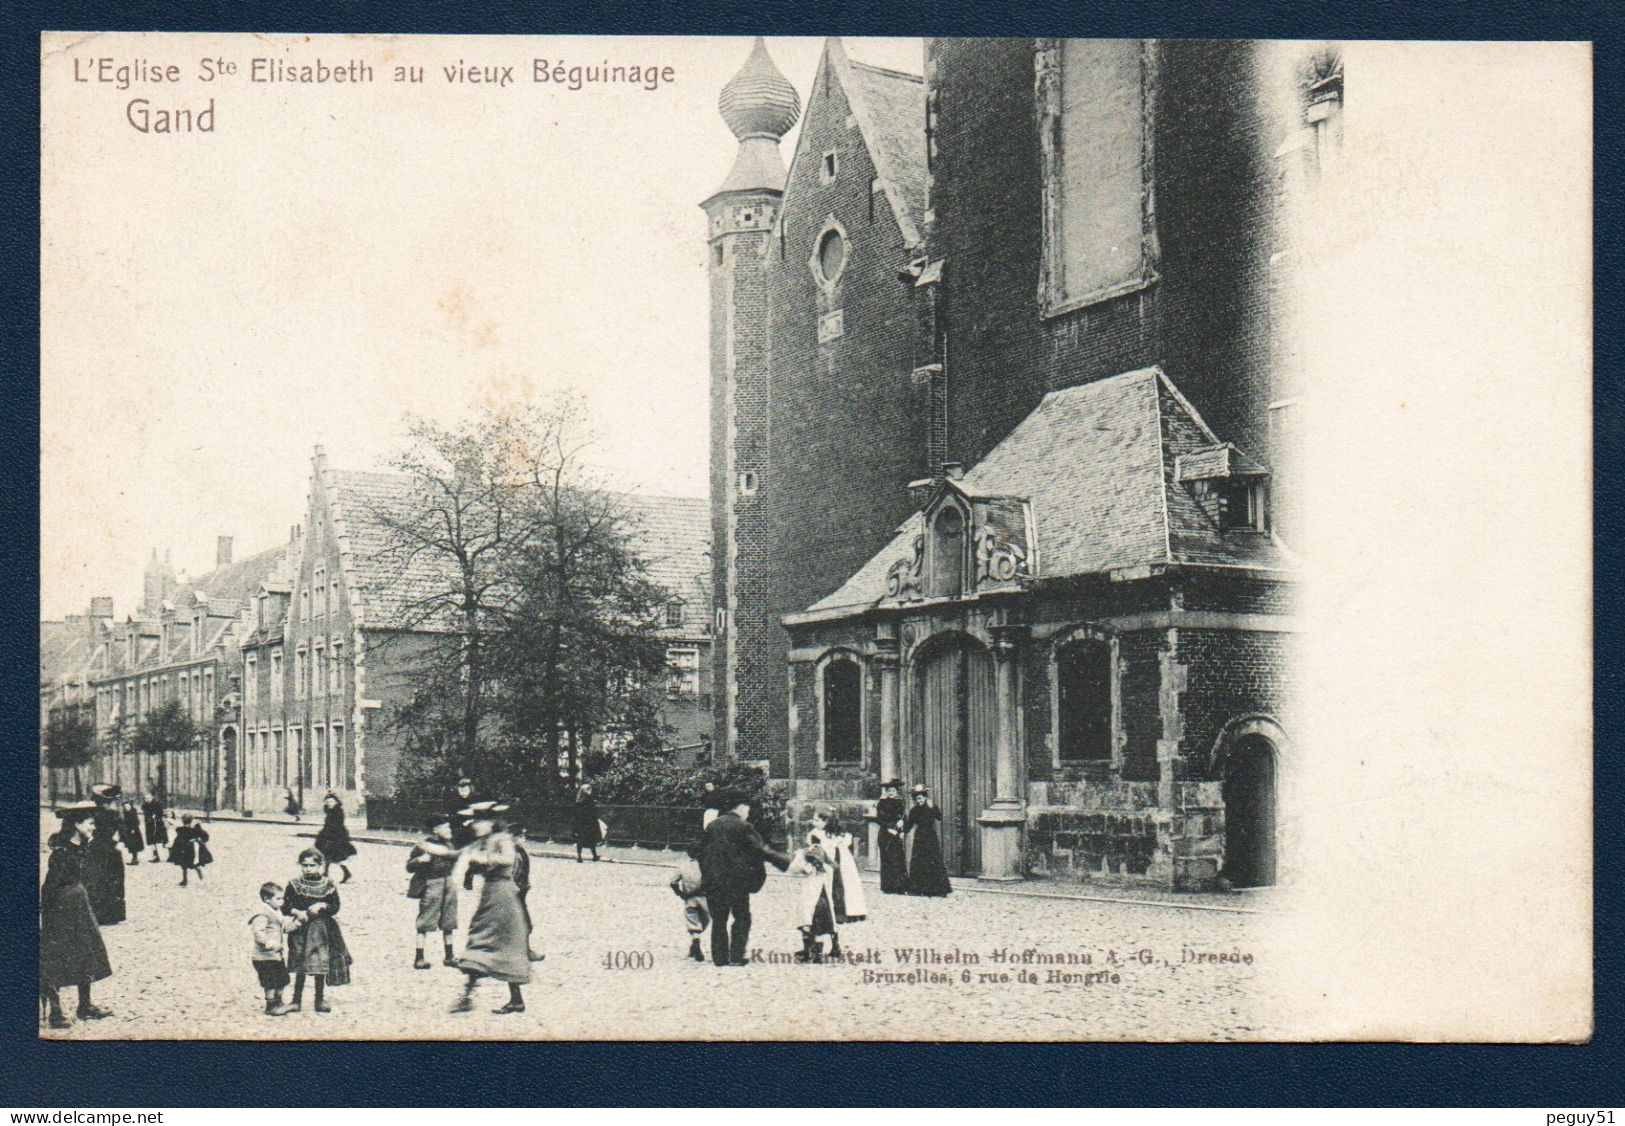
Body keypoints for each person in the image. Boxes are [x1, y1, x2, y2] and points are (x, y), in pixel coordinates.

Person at [39, 802, 113, 1029]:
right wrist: (49, 916)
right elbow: (49, 887)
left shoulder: (78, 847)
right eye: (90, 824)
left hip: (78, 907)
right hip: (63, 911)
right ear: (77, 825)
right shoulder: (62, 853)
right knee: (55, 957)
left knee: (87, 952)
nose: (93, 828)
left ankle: (85, 1005)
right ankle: (56, 1012)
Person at [453, 802, 531, 1014]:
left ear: (490, 822)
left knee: (497, 942)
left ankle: (511, 999)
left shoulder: (502, 839)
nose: (476, 825)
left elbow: (507, 859)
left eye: (479, 821)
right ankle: (469, 997)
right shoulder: (484, 841)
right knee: (481, 940)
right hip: (491, 895)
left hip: (502, 896)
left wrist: (482, 859)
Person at [698, 792, 791, 967]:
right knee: (741, 917)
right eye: (747, 808)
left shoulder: (712, 826)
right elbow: (761, 850)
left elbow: (700, 851)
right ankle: (736, 956)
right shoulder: (743, 827)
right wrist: (784, 861)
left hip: (714, 882)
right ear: (741, 807)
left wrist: (708, 873)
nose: (748, 811)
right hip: (736, 882)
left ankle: (719, 958)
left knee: (719, 920)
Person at [791, 809, 869, 963]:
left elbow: (817, 857)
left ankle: (814, 949)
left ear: (826, 822)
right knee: (828, 911)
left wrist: (805, 856)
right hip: (832, 877)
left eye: (818, 820)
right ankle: (832, 946)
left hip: (822, 877)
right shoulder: (838, 837)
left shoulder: (819, 837)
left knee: (812, 910)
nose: (814, 822)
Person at [282, 847, 351, 1013]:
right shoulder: (294, 884)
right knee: (300, 963)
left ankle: (319, 1000)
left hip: (322, 930)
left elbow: (335, 907)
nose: (308, 868)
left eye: (312, 865)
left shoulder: (328, 885)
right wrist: (297, 912)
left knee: (320, 962)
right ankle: (296, 1000)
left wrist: (322, 905)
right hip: (301, 929)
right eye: (304, 865)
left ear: (320, 865)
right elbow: (285, 906)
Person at [406, 816, 459, 969]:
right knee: (425, 921)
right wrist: (419, 861)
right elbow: (409, 867)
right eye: (446, 828)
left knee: (449, 919)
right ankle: (419, 958)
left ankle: (449, 956)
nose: (450, 831)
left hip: (448, 883)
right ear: (436, 830)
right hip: (431, 884)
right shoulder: (423, 846)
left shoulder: (449, 844)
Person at [249, 881, 299, 1016]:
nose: (282, 902)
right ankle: (271, 1006)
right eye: (278, 899)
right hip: (264, 956)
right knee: (270, 981)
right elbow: (259, 934)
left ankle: (279, 1002)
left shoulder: (276, 912)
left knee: (281, 979)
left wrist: (297, 923)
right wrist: (271, 943)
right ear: (266, 899)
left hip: (276, 955)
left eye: (282, 898)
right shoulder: (261, 914)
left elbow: (283, 929)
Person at [84, 783, 131, 925]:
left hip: (96, 849)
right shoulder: (113, 814)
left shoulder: (92, 813)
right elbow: (123, 832)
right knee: (112, 880)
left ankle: (98, 914)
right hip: (110, 850)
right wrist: (118, 841)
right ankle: (113, 914)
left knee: (97, 880)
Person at [508, 819, 545, 962]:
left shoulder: (519, 851)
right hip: (513, 893)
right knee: (521, 923)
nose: (524, 838)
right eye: (521, 835)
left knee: (523, 923)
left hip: (520, 892)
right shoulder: (511, 854)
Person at [904, 785, 952, 897]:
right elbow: (909, 824)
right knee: (919, 861)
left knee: (933, 860)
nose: (919, 801)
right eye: (917, 799)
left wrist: (933, 807)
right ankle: (918, 889)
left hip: (930, 837)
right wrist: (902, 831)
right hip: (920, 837)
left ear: (925, 798)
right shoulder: (914, 810)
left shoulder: (931, 807)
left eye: (921, 798)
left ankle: (938, 889)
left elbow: (939, 817)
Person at [668, 842, 709, 962]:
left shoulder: (683, 866)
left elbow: (673, 882)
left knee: (692, 920)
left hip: (689, 898)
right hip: (705, 898)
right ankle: (696, 940)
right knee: (705, 920)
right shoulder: (706, 865)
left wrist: (680, 893)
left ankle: (695, 940)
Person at [873, 779, 909, 894]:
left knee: (898, 859)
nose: (891, 792)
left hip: (896, 834)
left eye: (893, 790)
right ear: (886, 792)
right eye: (889, 790)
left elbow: (903, 817)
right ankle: (888, 887)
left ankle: (900, 886)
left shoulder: (900, 802)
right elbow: (879, 819)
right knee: (887, 859)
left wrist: (902, 827)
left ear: (896, 791)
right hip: (885, 834)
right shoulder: (882, 803)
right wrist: (889, 829)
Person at [313, 792, 356, 883]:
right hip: (328, 835)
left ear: (336, 802)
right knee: (328, 855)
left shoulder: (338, 811)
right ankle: (328, 874)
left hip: (337, 837)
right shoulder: (330, 811)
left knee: (336, 856)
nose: (329, 803)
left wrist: (329, 834)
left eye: (331, 801)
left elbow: (337, 825)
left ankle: (334, 874)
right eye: (327, 802)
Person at [169, 813, 213, 886]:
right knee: (184, 864)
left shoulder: (184, 829)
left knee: (187, 864)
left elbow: (177, 839)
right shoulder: (191, 829)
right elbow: (205, 836)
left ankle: (188, 877)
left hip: (188, 849)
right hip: (187, 848)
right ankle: (185, 879)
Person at [573, 784, 603, 863]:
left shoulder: (578, 800)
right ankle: (594, 856)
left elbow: (576, 813)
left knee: (580, 840)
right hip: (589, 822)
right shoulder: (589, 799)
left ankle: (579, 857)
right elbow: (593, 811)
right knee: (591, 839)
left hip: (580, 822)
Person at [141, 790, 169, 863]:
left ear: (152, 797)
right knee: (151, 841)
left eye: (148, 798)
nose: (146, 799)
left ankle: (164, 855)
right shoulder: (145, 806)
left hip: (157, 825)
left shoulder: (157, 804)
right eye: (145, 798)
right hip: (149, 826)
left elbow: (160, 813)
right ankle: (155, 856)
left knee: (159, 841)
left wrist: (155, 816)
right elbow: (146, 815)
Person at [119, 799, 144, 866]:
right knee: (131, 846)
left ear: (130, 806)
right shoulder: (125, 813)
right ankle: (134, 859)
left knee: (134, 846)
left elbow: (136, 821)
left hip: (134, 832)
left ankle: (134, 860)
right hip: (129, 831)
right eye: (125, 806)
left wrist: (133, 828)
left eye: (128, 806)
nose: (127, 807)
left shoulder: (133, 812)